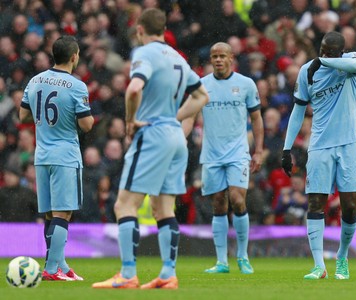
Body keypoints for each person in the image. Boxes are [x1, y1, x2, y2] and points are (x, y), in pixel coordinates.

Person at [92, 8, 208, 290]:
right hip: (175, 138)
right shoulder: (177, 58)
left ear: (140, 29)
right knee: (163, 209)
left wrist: (131, 121)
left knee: (124, 205)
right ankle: (168, 274)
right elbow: (201, 96)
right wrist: (174, 118)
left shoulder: (145, 53)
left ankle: (128, 274)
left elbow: (134, 89)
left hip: (153, 134)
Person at [281, 31, 356, 280]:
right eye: (321, 50)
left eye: (329, 51)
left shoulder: (350, 61)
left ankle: (342, 257)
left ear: (339, 51)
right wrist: (287, 149)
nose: (323, 54)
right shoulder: (308, 70)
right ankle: (319, 266)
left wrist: (325, 60)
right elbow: (298, 111)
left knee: (350, 206)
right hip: (319, 145)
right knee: (315, 202)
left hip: (351, 142)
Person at [183, 42, 264, 274]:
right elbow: (189, 116)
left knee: (238, 199)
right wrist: (180, 138)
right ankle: (221, 262)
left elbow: (257, 118)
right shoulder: (202, 86)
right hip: (212, 154)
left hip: (238, 152)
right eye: (214, 56)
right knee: (218, 202)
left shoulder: (246, 84)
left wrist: (258, 150)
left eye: (222, 56)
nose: (217, 60)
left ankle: (243, 256)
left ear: (232, 58)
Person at [19, 35, 94, 281]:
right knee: (63, 213)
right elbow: (86, 125)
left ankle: (60, 263)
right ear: (74, 57)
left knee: (51, 214)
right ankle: (51, 270)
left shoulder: (35, 80)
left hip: (42, 155)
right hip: (65, 155)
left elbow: (23, 117)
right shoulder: (76, 86)